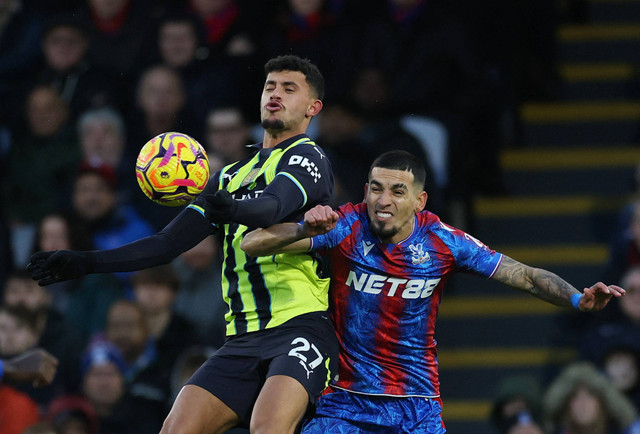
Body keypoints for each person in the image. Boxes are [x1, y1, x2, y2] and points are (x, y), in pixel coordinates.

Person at [27, 54, 338, 434]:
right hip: (241, 338)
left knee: (269, 427)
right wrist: (86, 261)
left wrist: (229, 205)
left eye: (289, 89)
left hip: (300, 328)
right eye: (270, 86)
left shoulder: (309, 157)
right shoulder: (230, 176)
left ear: (312, 107)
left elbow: (272, 206)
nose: (275, 95)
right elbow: (165, 245)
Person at [240, 150, 626, 432]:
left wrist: (577, 298)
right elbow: (252, 244)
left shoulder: (444, 241)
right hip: (344, 403)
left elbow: (522, 275)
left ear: (419, 200)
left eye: (396, 191)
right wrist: (306, 229)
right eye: (376, 189)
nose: (383, 201)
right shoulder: (344, 225)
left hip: (416, 406)